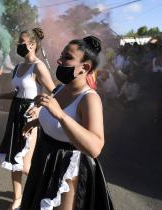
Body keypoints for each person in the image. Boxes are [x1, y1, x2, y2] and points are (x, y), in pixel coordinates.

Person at [20, 36, 107, 210]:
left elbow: (95, 147)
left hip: (68, 168)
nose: (59, 60)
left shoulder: (89, 99)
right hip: (44, 158)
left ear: (85, 67)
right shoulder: (60, 88)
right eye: (61, 55)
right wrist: (35, 122)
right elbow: (56, 123)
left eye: (67, 58)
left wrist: (60, 114)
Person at [0, 27, 55, 209]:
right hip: (15, 113)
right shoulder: (18, 66)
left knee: (25, 165)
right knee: (14, 160)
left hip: (30, 116)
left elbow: (54, 93)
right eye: (18, 42)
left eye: (21, 42)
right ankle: (17, 198)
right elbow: (18, 92)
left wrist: (39, 109)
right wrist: (0, 96)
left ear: (32, 44)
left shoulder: (39, 66)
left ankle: (47, 193)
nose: (18, 45)